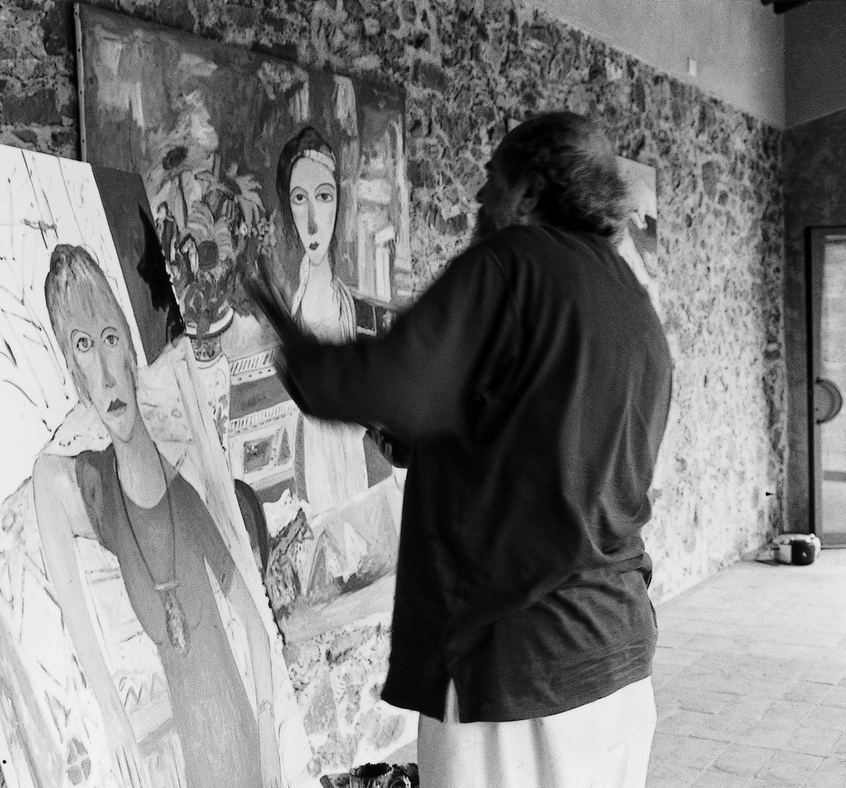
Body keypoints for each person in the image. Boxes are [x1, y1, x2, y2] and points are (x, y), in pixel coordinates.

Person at [247, 112, 673, 788]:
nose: (477, 196)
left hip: (518, 669)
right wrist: (418, 439)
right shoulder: (632, 302)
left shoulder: (510, 265)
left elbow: (387, 383)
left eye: (492, 179)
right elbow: (542, 441)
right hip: (615, 653)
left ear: (530, 191)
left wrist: (296, 349)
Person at [32, 244, 282, 788]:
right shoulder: (94, 490)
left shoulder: (183, 496)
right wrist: (112, 713)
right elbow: (46, 483)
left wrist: (269, 737)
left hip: (245, 749)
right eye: (82, 347)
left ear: (129, 349)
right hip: (197, 768)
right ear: (72, 369)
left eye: (109, 339)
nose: (105, 375)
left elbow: (255, 629)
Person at [275, 127, 369, 511]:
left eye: (323, 197)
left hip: (348, 445)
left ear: (338, 203)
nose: (313, 221)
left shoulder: (343, 297)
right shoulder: (294, 298)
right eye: (300, 199)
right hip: (320, 448)